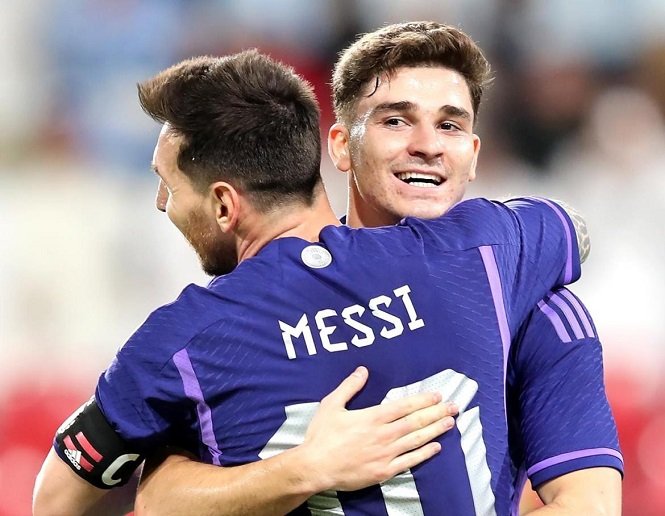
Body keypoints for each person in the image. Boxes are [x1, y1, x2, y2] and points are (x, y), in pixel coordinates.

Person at [32, 48, 587, 515]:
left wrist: (299, 471)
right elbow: (572, 231)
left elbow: (55, 502)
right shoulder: (475, 252)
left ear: (224, 204)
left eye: (169, 185)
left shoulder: (185, 339)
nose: (162, 203)